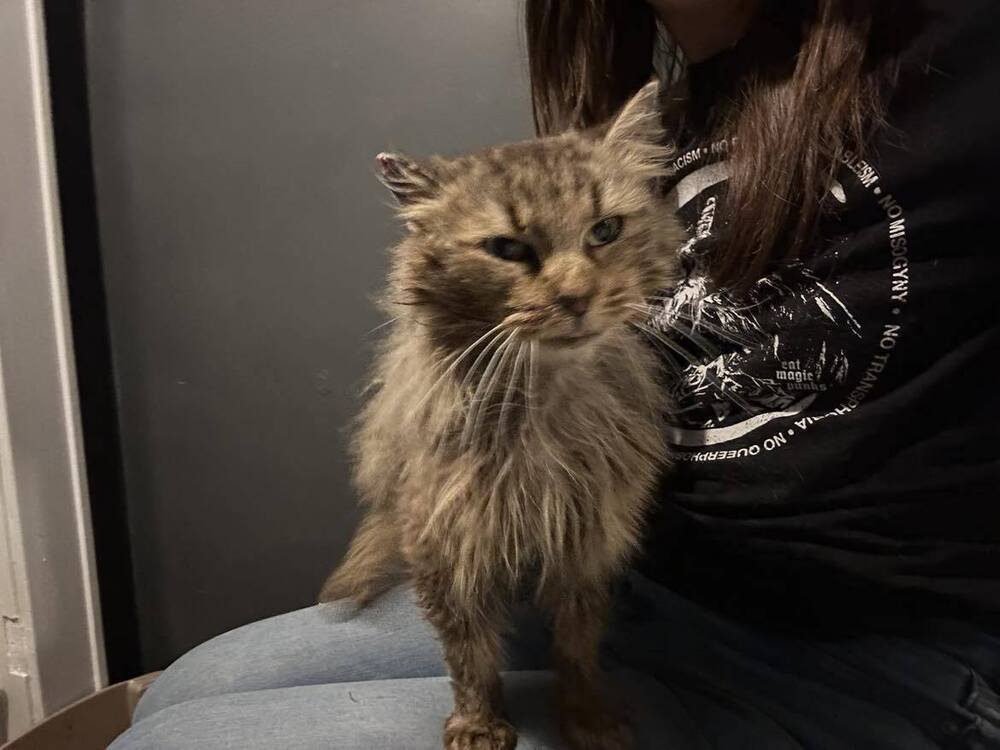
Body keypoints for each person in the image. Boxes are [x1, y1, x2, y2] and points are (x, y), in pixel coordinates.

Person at [111, 1, 1000, 747]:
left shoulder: (961, 48)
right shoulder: (662, 98)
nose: (574, 285)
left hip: (870, 659)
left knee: (174, 742)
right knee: (186, 690)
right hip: (653, 590)